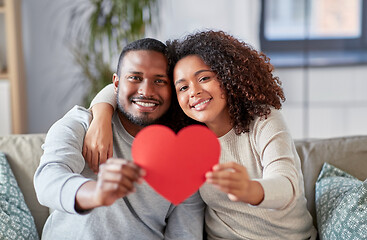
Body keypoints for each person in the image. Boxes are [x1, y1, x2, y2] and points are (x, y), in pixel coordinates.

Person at [86, 30, 317, 239]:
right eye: (182, 87)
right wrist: (102, 117)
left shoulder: (264, 120)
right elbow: (120, 87)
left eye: (204, 78)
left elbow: (286, 186)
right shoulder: (185, 135)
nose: (194, 92)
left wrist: (249, 189)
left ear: (228, 76)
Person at [34, 38, 205, 240]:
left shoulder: (184, 154)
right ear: (116, 83)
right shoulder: (81, 124)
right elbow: (48, 180)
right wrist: (96, 193)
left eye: (160, 81)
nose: (146, 91)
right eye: (135, 78)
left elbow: (185, 233)